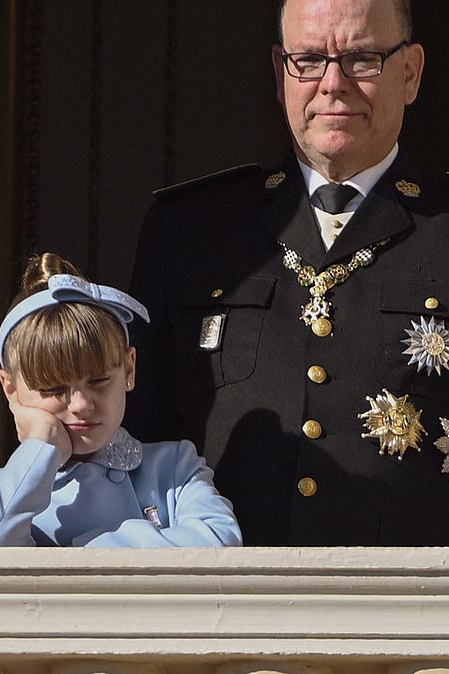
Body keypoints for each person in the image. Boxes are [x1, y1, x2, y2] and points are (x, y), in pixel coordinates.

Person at [126, 0, 449, 545]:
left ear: (411, 72)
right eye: (308, 60)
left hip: (414, 610)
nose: (332, 84)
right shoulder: (189, 231)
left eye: (362, 59)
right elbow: (132, 440)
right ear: (281, 73)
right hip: (222, 607)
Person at [0, 253, 241, 548]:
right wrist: (40, 449)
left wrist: (79, 555)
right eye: (53, 389)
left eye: (99, 381)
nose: (80, 404)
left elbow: (219, 544)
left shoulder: (174, 469)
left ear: (129, 369)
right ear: (10, 389)